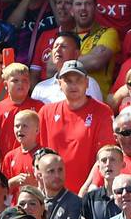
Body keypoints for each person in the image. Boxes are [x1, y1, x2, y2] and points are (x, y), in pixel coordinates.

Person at [37, 61, 115, 194]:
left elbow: (104, 157)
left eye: (78, 80)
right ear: (60, 84)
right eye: (68, 81)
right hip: (53, 194)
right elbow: (39, 155)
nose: (73, 85)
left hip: (88, 193)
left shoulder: (103, 112)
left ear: (87, 83)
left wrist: (86, 190)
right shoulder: (46, 112)